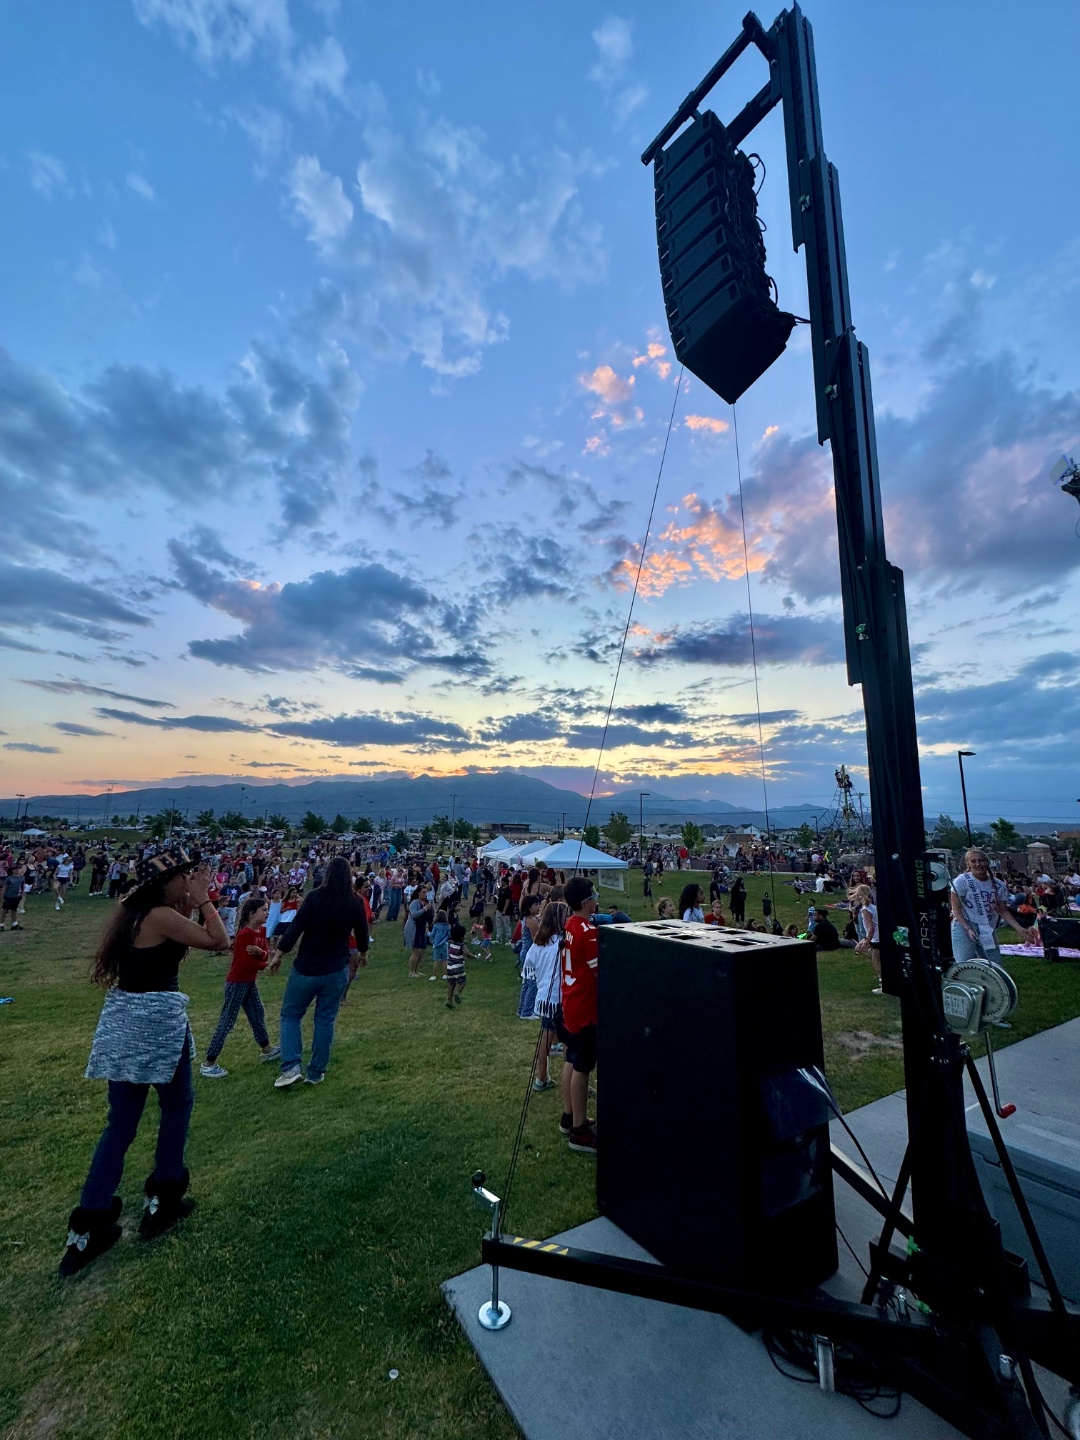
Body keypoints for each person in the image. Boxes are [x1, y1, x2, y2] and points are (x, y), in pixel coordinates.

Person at [60, 849, 229, 1278]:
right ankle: (164, 1200)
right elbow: (218, 940)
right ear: (164, 881)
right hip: (156, 1025)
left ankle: (89, 1225)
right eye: (183, 876)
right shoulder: (158, 916)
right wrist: (204, 897)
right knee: (176, 1108)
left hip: (125, 1023)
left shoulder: (135, 914)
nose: (188, 881)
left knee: (120, 1124)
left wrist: (191, 896)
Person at [268, 855, 368, 1087]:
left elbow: (296, 927)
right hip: (335, 969)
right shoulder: (354, 901)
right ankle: (316, 1072)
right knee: (325, 1019)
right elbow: (362, 932)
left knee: (291, 1015)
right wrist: (363, 953)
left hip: (307, 967)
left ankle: (292, 1066)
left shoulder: (314, 897)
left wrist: (278, 954)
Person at [200, 894, 280, 1078]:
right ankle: (209, 1063)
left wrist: (261, 954)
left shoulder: (260, 932)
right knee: (227, 1021)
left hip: (249, 982)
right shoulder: (245, 934)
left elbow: (265, 953)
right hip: (237, 983)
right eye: (264, 910)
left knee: (257, 1014)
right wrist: (264, 964)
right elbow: (244, 962)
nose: (267, 913)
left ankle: (267, 1049)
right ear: (252, 914)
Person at [560, 876, 599, 1154]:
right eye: (594, 896)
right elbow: (601, 972)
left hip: (571, 1002)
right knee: (582, 1067)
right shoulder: (587, 930)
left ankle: (570, 1116)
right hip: (585, 1006)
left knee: (572, 1060)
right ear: (586, 902)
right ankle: (579, 1130)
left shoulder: (570, 924)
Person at [950, 849, 1030, 967]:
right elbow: (956, 909)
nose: (978, 864)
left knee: (994, 966)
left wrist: (1019, 928)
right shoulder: (961, 881)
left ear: (987, 862)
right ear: (968, 864)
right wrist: (968, 928)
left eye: (981, 861)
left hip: (986, 927)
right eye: (973, 861)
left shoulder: (999, 885)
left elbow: (1002, 910)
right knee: (964, 965)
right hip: (964, 925)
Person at [403, 883, 433, 978]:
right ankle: (411, 972)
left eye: (426, 892)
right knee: (416, 950)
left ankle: (416, 970)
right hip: (413, 928)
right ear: (418, 893)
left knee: (422, 950)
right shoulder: (415, 903)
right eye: (423, 892)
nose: (425, 894)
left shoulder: (427, 903)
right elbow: (414, 914)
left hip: (422, 928)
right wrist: (425, 909)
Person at [445, 922, 467, 1008]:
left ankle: (449, 1000)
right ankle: (457, 993)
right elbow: (467, 953)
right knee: (462, 981)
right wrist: (474, 957)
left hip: (449, 967)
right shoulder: (462, 945)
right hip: (458, 967)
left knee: (451, 984)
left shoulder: (451, 943)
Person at [1, 864, 25, 930]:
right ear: (12, 871)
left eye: (18, 869)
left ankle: (14, 924)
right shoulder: (9, 879)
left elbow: (22, 886)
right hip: (8, 896)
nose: (17, 870)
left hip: (16, 896)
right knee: (5, 911)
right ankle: (1, 924)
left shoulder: (21, 877)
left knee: (14, 910)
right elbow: (4, 888)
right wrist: (2, 897)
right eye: (15, 869)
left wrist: (21, 893)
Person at [430, 908, 450, 982]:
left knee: (436, 960)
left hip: (436, 945)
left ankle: (434, 975)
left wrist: (427, 933)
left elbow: (432, 934)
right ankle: (445, 975)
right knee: (444, 960)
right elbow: (449, 935)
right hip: (444, 944)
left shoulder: (435, 926)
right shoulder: (447, 926)